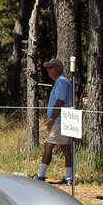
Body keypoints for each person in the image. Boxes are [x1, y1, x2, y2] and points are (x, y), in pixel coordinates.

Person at [31, 56, 75, 185]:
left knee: (48, 145)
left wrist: (52, 119)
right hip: (64, 118)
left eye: (51, 67)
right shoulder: (61, 81)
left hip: (61, 119)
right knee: (66, 148)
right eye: (47, 68)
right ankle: (68, 177)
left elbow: (60, 101)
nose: (48, 70)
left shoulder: (61, 81)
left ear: (59, 68)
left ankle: (41, 175)